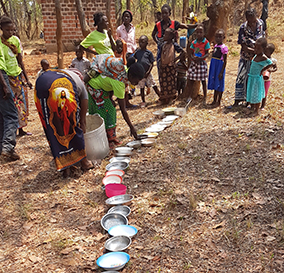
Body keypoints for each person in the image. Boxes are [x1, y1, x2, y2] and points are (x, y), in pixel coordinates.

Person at [35, 69, 94, 177]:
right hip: (62, 87)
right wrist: (82, 123)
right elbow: (82, 113)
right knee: (73, 125)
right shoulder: (80, 84)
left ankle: (65, 166)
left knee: (52, 127)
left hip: (40, 85)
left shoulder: (58, 71)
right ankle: (84, 162)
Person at [86, 63, 144, 145]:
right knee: (106, 111)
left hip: (102, 86)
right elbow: (123, 110)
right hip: (95, 86)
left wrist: (110, 97)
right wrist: (132, 127)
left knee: (110, 109)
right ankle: (108, 139)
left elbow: (110, 80)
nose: (136, 83)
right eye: (136, 81)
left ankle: (110, 137)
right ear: (130, 75)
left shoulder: (124, 70)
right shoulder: (120, 83)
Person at [0, 16, 33, 136]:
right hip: (7, 77)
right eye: (8, 30)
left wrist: (27, 78)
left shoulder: (15, 40)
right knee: (12, 104)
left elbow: (20, 60)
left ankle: (21, 129)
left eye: (12, 30)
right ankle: (11, 131)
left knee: (22, 102)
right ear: (2, 28)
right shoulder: (0, 44)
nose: (11, 32)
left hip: (18, 75)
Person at [232, 8, 265, 107]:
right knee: (241, 77)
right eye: (250, 21)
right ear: (247, 19)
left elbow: (263, 38)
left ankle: (250, 100)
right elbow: (243, 45)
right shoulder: (243, 27)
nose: (252, 23)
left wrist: (260, 53)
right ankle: (238, 100)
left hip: (257, 58)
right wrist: (255, 52)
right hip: (246, 56)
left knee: (253, 79)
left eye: (253, 20)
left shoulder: (261, 24)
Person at [152, 4, 195, 71]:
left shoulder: (174, 23)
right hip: (161, 51)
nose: (164, 15)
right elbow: (153, 34)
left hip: (171, 50)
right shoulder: (158, 25)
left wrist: (196, 25)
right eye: (163, 13)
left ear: (169, 14)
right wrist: (157, 42)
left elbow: (186, 26)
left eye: (166, 13)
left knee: (171, 67)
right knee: (161, 68)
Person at [0, 44, 19, 161]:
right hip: (2, 78)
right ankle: (8, 146)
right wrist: (4, 86)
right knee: (11, 115)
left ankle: (3, 147)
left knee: (2, 115)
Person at [246, 37, 272, 115]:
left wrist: (263, 70)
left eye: (258, 49)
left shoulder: (263, 57)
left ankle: (256, 110)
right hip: (251, 77)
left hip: (257, 78)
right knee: (252, 93)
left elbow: (270, 63)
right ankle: (252, 108)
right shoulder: (255, 56)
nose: (255, 50)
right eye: (255, 48)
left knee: (256, 94)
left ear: (263, 49)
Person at [159, 28, 184, 105]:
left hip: (171, 67)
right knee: (163, 82)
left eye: (166, 34)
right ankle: (164, 98)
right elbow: (161, 54)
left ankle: (170, 98)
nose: (164, 35)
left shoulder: (174, 45)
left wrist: (176, 59)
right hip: (163, 67)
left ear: (170, 36)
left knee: (171, 82)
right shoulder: (163, 45)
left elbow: (183, 52)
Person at [134, 35, 160, 107]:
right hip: (141, 73)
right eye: (139, 42)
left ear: (146, 43)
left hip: (147, 73)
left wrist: (148, 72)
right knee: (142, 87)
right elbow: (134, 59)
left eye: (142, 42)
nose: (140, 44)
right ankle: (143, 101)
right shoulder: (137, 52)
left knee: (153, 85)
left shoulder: (148, 53)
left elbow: (152, 63)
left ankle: (160, 96)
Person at [187, 24, 210, 104]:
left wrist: (201, 58)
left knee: (203, 80)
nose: (199, 34)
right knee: (191, 79)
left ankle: (205, 96)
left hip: (202, 63)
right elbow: (190, 52)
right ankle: (189, 96)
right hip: (194, 63)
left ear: (204, 33)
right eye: (197, 32)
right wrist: (192, 57)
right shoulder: (194, 42)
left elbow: (207, 53)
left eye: (201, 32)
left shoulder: (206, 42)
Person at [208, 29, 228, 107]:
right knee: (215, 82)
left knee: (220, 83)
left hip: (219, 67)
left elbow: (225, 61)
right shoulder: (215, 46)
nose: (218, 39)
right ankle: (214, 100)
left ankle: (218, 101)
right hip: (214, 66)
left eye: (220, 37)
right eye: (216, 37)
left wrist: (221, 72)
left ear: (223, 37)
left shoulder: (224, 48)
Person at [261, 43, 277, 109]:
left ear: (270, 53)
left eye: (266, 51)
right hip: (260, 78)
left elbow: (275, 68)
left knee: (265, 93)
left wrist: (271, 71)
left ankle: (263, 105)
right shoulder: (262, 58)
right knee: (259, 91)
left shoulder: (272, 60)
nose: (264, 52)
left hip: (267, 80)